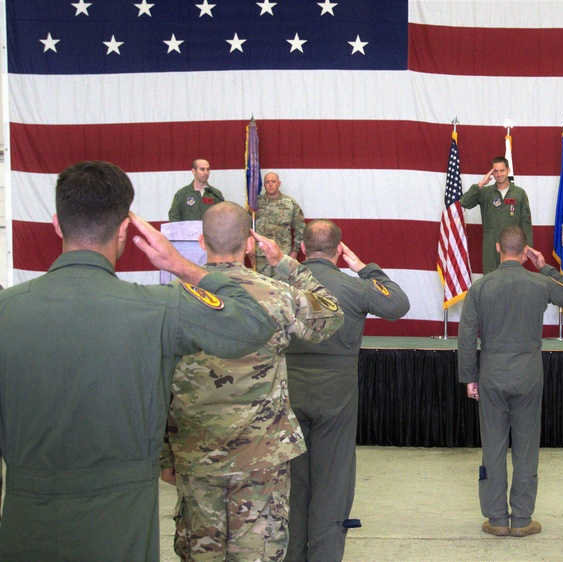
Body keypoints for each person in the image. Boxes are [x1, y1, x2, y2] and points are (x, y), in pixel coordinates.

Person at [0, 161, 275, 561]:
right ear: (126, 230)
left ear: (57, 224)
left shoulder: (7, 311)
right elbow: (252, 323)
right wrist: (180, 266)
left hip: (26, 524)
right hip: (121, 525)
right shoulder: (157, 309)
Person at [161, 202, 345, 561]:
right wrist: (286, 263)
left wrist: (163, 454)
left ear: (201, 241)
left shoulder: (172, 300)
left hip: (195, 454)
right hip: (263, 458)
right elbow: (331, 314)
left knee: (201, 554)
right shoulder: (274, 294)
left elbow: (157, 383)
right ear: (249, 243)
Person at [285, 220, 410, 562]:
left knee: (292, 485)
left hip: (287, 390)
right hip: (336, 395)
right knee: (332, 484)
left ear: (302, 249)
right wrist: (365, 268)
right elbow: (398, 304)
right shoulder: (353, 286)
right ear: (339, 250)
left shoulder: (281, 283)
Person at [458, 226, 563, 538]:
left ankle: (497, 518)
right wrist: (545, 266)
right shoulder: (539, 282)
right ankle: (522, 519)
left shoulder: (481, 287)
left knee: (493, 447)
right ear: (526, 251)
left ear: (498, 248)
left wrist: (469, 377)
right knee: (526, 447)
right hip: (528, 372)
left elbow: (467, 336)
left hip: (491, 372)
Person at [460, 156, 533, 274]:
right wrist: (481, 184)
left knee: (511, 280)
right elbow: (464, 202)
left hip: (513, 247)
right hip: (491, 247)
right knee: (490, 281)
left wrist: (526, 249)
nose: (499, 174)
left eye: (502, 170)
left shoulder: (519, 193)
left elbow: (526, 223)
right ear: (491, 172)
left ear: (508, 170)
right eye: (495, 171)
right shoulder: (485, 192)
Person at [254, 171, 306, 271]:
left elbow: (301, 230)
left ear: (279, 183)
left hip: (283, 256)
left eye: (273, 181)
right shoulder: (255, 205)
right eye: (267, 182)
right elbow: (247, 229)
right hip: (260, 257)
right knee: (262, 286)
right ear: (264, 184)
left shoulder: (290, 204)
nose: (270, 184)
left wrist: (295, 252)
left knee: (282, 286)